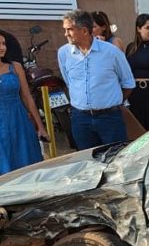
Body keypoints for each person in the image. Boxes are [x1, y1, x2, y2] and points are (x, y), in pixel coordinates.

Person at [58, 9, 134, 150]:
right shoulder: (63, 53)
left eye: (70, 29)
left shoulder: (111, 52)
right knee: (87, 159)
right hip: (80, 119)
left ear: (84, 31)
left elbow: (128, 83)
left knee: (115, 157)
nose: (66, 34)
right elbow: (69, 82)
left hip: (110, 119)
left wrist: (112, 104)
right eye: (65, 29)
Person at [0, 36, 47, 174]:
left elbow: (27, 97)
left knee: (27, 164)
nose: (2, 47)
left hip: (19, 123)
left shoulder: (15, 67)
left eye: (3, 43)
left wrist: (40, 127)